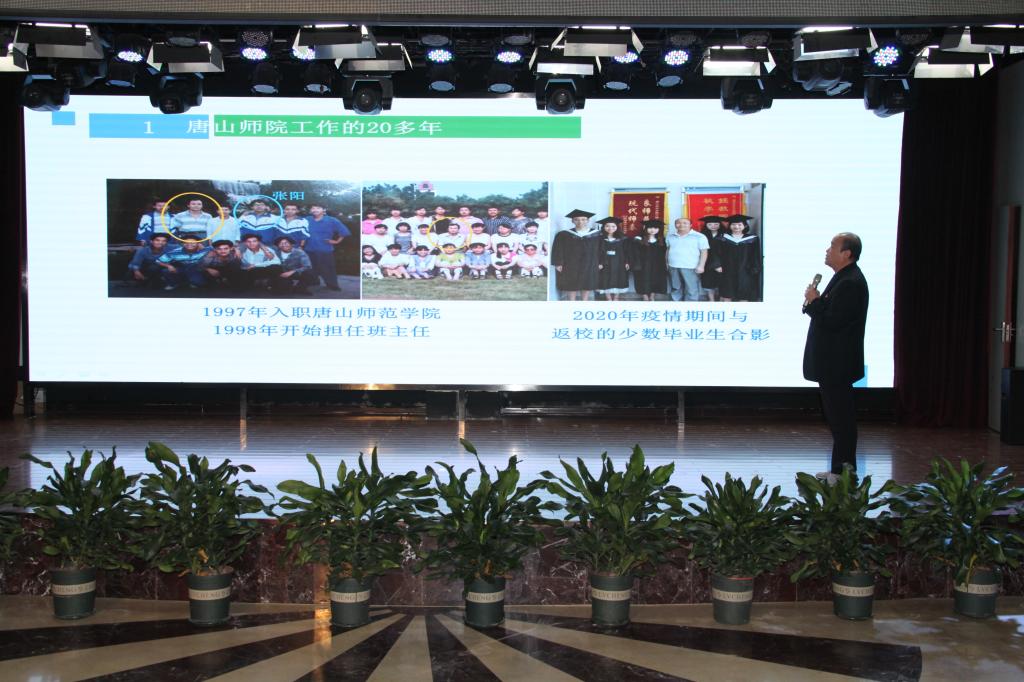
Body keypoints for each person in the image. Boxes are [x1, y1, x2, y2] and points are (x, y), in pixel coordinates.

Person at [803, 233, 869, 482]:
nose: (827, 250)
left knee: (842, 419)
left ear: (846, 254)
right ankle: (839, 469)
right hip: (832, 362)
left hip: (837, 362)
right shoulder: (843, 277)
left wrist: (814, 302)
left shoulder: (851, 282)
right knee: (838, 418)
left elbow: (833, 321)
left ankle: (843, 472)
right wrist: (815, 302)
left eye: (832, 246)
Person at [551, 209, 600, 301]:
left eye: (583, 219)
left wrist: (600, 262)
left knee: (587, 281)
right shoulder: (563, 234)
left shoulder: (597, 234)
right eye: (577, 219)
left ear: (588, 220)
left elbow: (601, 249)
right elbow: (558, 249)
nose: (580, 222)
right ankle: (572, 301)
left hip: (590, 262)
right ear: (572, 221)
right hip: (570, 262)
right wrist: (558, 263)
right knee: (571, 282)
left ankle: (584, 301)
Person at [305, 201, 349, 291]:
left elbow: (344, 231)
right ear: (310, 210)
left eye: (318, 208)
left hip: (325, 248)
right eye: (313, 208)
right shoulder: (306, 219)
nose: (315, 210)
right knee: (310, 267)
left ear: (324, 210)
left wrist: (337, 241)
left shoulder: (332, 220)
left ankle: (332, 284)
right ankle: (314, 281)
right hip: (309, 248)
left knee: (327, 267)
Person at [718, 214, 762, 302]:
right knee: (727, 290)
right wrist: (717, 265)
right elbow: (716, 253)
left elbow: (755, 254)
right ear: (729, 226)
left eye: (739, 224)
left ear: (745, 226)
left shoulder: (752, 239)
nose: (736, 227)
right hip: (727, 268)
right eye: (733, 224)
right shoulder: (722, 238)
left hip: (745, 269)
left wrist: (755, 267)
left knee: (744, 290)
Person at [666, 217, 708, 302]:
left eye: (685, 223)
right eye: (678, 223)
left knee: (691, 288)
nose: (681, 225)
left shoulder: (699, 236)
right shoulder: (670, 236)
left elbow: (704, 252)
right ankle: (676, 303)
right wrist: (666, 263)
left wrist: (701, 266)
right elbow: (668, 250)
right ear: (675, 225)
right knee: (675, 287)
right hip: (673, 266)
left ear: (691, 225)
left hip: (691, 266)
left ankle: (690, 306)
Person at [630, 219, 668, 301]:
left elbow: (665, 253)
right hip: (642, 264)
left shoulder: (662, 240)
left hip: (657, 264)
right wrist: (636, 264)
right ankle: (645, 296)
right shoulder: (639, 239)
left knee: (655, 279)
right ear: (645, 228)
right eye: (650, 228)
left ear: (659, 229)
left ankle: (652, 295)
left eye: (656, 228)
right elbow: (635, 253)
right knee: (642, 278)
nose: (653, 230)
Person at [595, 217, 630, 301]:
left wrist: (627, 262)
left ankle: (616, 297)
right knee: (604, 278)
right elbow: (597, 252)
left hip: (619, 261)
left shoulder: (623, 238)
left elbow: (627, 251)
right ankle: (608, 297)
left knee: (619, 278)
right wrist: (599, 262)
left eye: (613, 226)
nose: (610, 228)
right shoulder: (599, 238)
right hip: (605, 262)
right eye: (607, 226)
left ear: (617, 227)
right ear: (603, 227)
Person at [699, 215, 726, 302]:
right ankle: (711, 300)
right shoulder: (702, 236)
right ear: (706, 225)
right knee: (709, 283)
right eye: (710, 224)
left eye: (716, 224)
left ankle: (722, 299)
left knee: (722, 282)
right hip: (707, 262)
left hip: (722, 263)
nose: (713, 226)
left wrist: (718, 264)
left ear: (720, 224)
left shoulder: (725, 235)